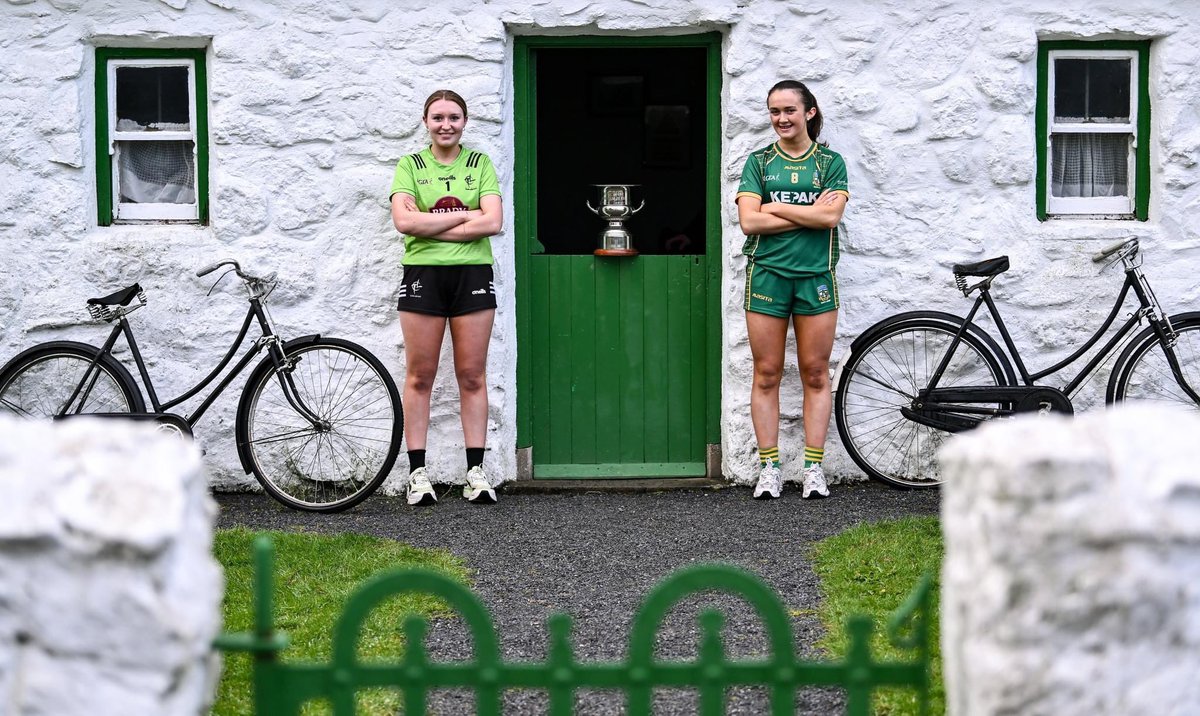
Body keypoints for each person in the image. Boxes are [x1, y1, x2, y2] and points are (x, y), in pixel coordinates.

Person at [734, 80, 849, 500]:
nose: (782, 118)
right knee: (767, 373)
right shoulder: (760, 162)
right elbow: (750, 223)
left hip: (816, 275)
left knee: (815, 373)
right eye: (774, 111)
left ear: (809, 113)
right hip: (767, 274)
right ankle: (770, 468)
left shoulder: (830, 162)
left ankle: (813, 469)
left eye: (790, 110)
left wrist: (775, 207)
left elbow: (831, 218)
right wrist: (808, 212)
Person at [389, 89, 503, 505]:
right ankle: (417, 474)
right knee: (421, 376)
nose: (446, 125)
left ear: (464, 122)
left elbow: (494, 222)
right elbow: (404, 221)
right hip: (424, 275)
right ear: (426, 122)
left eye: (454, 117)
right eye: (437, 117)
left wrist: (430, 221)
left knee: (471, 375)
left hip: (472, 274)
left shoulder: (480, 164)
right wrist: (464, 215)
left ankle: (475, 471)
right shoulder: (411, 166)